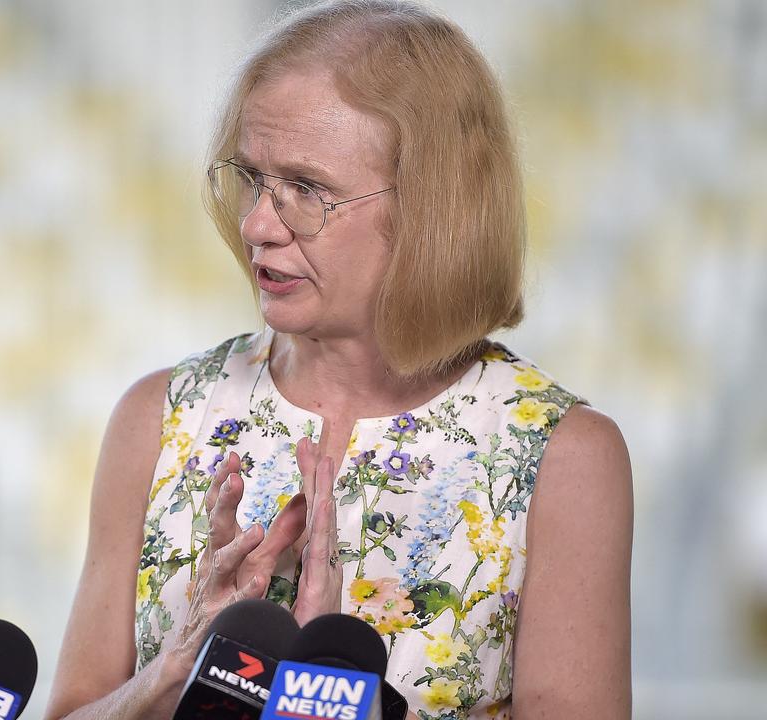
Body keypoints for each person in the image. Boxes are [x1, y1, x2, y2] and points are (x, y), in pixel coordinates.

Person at [47, 1, 633, 718]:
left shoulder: (564, 458)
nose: (258, 223)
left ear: (431, 208)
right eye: (253, 177)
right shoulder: (158, 416)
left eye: (307, 190)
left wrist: (330, 700)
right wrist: (173, 674)